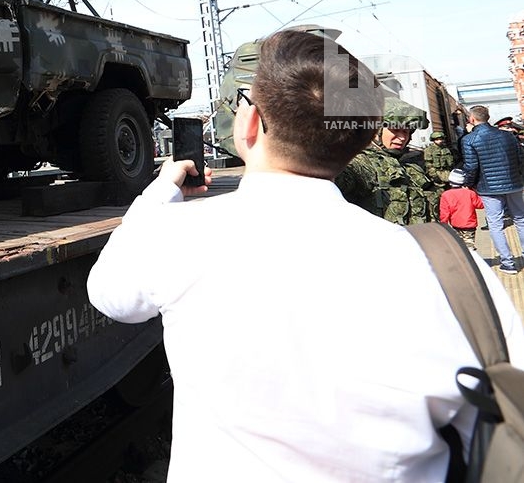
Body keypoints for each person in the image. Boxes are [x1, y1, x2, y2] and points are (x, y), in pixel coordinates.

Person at [87, 29, 524, 481]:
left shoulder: (178, 236)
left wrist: (159, 192)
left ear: (250, 124)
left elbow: (109, 295)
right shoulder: (448, 267)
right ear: (361, 138)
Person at [334, 97, 435, 225]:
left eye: (406, 131)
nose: (402, 137)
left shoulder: (411, 166)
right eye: (395, 130)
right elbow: (341, 176)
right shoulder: (362, 162)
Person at [462, 104, 524, 274]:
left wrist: (469, 183)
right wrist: (518, 177)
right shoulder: (509, 136)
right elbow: (520, 158)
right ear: (487, 117)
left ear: (471, 119)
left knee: (496, 224)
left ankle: (508, 263)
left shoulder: (469, 140)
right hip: (514, 184)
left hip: (488, 188)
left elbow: (471, 166)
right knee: (520, 220)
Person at [439, 168, 483, 249]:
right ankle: (471, 259)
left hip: (455, 225)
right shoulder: (470, 193)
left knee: (458, 247)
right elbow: (480, 205)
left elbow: (444, 213)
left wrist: (443, 225)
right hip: (470, 226)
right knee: (469, 246)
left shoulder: (446, 195)